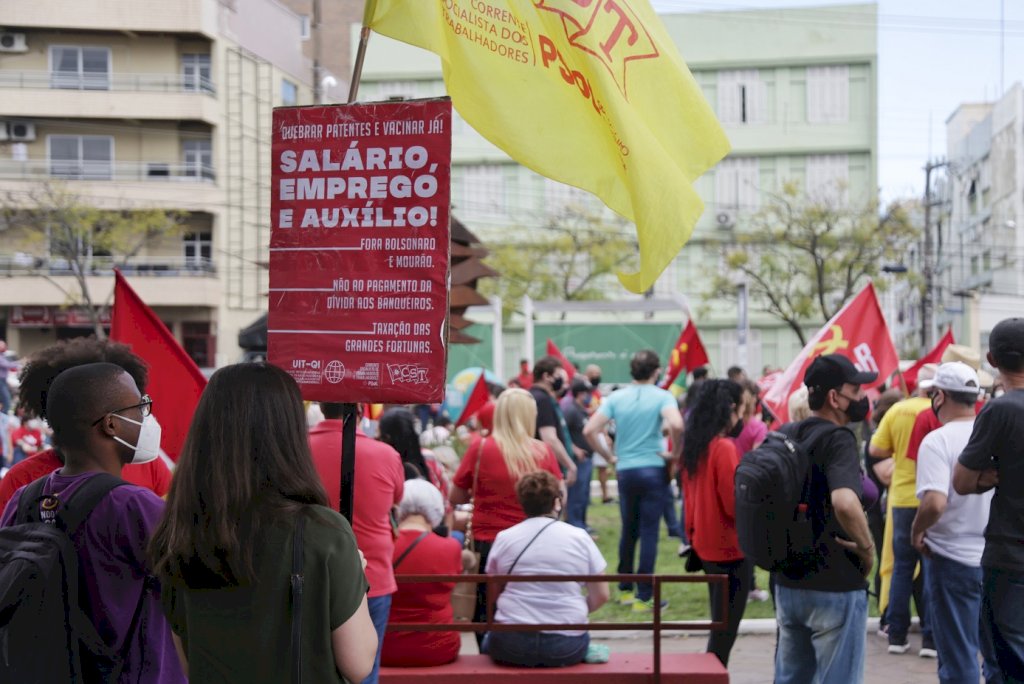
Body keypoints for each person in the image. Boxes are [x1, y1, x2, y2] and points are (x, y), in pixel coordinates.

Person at [149, 363, 376, 683]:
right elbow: (359, 663)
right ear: (289, 434)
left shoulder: (180, 530)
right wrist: (356, 576)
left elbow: (187, 661)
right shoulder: (324, 531)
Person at [1, 362, 185, 683]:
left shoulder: (25, 498)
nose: (146, 417)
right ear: (110, 424)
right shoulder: (135, 506)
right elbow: (195, 583)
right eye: (140, 407)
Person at [773, 354, 876, 684]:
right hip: (834, 582)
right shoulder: (838, 438)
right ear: (835, 398)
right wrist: (867, 547)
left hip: (789, 581)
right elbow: (844, 501)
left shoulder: (786, 433)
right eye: (856, 391)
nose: (862, 399)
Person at [0, 338, 173, 512]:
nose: (143, 416)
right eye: (136, 407)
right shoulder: (21, 479)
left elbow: (172, 527)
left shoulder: (150, 466)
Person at [450, 388, 564, 646]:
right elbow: (558, 493)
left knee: (485, 611)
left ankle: (488, 656)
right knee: (528, 606)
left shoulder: (479, 449)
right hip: (533, 543)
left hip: (486, 542)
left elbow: (455, 496)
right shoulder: (542, 452)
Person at [911, 362, 1000, 684]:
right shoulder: (994, 435)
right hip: (997, 557)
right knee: (998, 656)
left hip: (951, 558)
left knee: (959, 655)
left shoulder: (938, 441)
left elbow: (934, 502)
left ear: (940, 396)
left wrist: (917, 529)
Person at [309, 402, 404, 684]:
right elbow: (396, 499)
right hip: (372, 575)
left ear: (322, 409)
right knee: (364, 673)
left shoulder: (296, 450)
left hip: (309, 574)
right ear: (361, 413)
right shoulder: (386, 454)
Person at [584, 349, 684, 611]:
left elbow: (589, 429)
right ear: (656, 371)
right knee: (649, 532)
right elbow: (677, 424)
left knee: (629, 529)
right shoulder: (663, 396)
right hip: (652, 469)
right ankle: (644, 596)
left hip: (626, 470)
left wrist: (608, 456)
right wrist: (675, 452)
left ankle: (625, 589)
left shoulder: (616, 397)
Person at [954, 317, 1024, 681]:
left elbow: (962, 481)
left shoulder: (1000, 410)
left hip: (1010, 559)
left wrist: (989, 477)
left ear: (991, 359)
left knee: (1005, 662)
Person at [483, 471, 609, 667]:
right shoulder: (580, 537)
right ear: (556, 501)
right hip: (565, 644)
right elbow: (601, 595)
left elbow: (493, 592)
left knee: (487, 643)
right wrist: (575, 609)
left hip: (511, 644)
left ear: (522, 502)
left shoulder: (504, 538)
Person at [681, 379, 752, 666]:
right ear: (731, 409)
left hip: (705, 545)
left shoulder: (697, 445)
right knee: (724, 634)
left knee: (718, 627)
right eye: (744, 409)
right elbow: (734, 504)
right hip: (730, 548)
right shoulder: (723, 447)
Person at [870, 364, 937, 657]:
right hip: (932, 497)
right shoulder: (939, 411)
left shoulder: (897, 411)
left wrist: (897, 451)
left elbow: (875, 449)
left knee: (901, 567)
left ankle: (896, 635)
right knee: (932, 569)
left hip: (901, 498)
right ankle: (931, 638)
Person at [381, 480, 463, 667]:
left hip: (385, 646)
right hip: (438, 646)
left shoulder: (382, 546)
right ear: (436, 508)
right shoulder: (450, 547)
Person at [529, 356, 578, 485]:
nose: (561, 380)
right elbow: (549, 438)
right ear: (547, 377)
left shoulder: (530, 396)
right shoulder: (543, 400)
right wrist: (569, 464)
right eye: (558, 375)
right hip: (547, 468)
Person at [563, 378, 595, 531]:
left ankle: (582, 523)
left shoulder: (581, 410)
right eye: (586, 393)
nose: (588, 396)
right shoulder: (571, 411)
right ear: (580, 394)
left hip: (587, 458)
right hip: (577, 460)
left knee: (583, 495)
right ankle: (575, 525)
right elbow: (563, 433)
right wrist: (574, 449)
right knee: (576, 495)